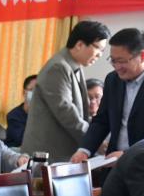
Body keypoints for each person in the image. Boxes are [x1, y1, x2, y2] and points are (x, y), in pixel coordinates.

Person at [71, 29, 144, 164]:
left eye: (121, 61)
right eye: (113, 60)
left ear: (142, 56)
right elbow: (102, 120)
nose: (117, 67)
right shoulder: (112, 80)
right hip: (112, 162)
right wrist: (84, 150)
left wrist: (128, 154)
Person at [20, 21, 111, 161]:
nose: (99, 55)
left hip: (61, 151)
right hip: (48, 154)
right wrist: (94, 139)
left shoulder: (73, 65)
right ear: (79, 44)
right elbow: (66, 112)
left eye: (102, 51)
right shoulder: (58, 67)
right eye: (98, 48)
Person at [4, 75, 36, 148]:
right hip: (15, 151)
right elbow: (22, 140)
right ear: (24, 92)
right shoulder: (13, 116)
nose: (36, 93)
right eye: (32, 90)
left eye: (38, 91)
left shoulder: (44, 115)